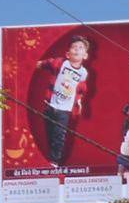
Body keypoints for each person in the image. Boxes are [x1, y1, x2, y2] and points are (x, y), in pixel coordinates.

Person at [37, 35, 90, 163]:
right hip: (51, 105)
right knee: (50, 133)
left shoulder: (83, 73)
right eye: (74, 47)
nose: (77, 50)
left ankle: (54, 162)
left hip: (65, 110)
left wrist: (79, 103)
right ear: (68, 54)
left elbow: (80, 90)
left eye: (81, 48)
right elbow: (44, 63)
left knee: (59, 135)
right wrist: (38, 64)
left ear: (85, 55)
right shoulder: (61, 63)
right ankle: (50, 157)